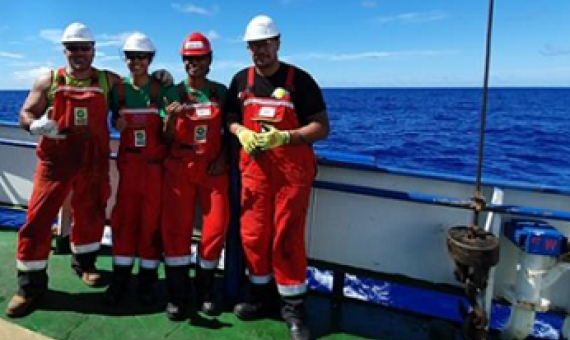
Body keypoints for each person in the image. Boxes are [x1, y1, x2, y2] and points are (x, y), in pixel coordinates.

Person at [5, 22, 122, 317]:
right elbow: (25, 112)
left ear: (94, 50)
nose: (79, 53)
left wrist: (163, 80)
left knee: (92, 212)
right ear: (64, 50)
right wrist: (33, 125)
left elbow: (140, 95)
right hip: (55, 163)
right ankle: (30, 286)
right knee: (37, 219)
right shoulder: (49, 81)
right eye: (73, 48)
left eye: (84, 47)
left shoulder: (110, 81)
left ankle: (85, 264)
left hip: (93, 161)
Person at [225, 14, 330, 340]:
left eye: (265, 44)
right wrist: (239, 130)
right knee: (253, 237)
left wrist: (286, 137)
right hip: (255, 174)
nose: (260, 51)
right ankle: (261, 297)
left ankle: (294, 309)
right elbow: (229, 116)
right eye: (254, 45)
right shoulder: (241, 81)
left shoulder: (300, 81)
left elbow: (322, 127)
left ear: (278, 43)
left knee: (286, 238)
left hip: (290, 175)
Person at [161, 32, 230, 321]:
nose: (194, 63)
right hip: (180, 167)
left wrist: (224, 157)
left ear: (209, 60)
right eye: (189, 59)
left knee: (215, 229)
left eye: (199, 58)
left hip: (213, 168)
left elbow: (232, 128)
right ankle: (178, 294)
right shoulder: (172, 93)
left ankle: (205, 290)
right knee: (176, 230)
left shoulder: (220, 92)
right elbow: (164, 139)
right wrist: (171, 119)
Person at [102, 32, 168, 305]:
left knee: (151, 225)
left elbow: (170, 128)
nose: (136, 61)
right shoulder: (117, 91)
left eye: (141, 56)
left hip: (154, 170)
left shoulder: (162, 89)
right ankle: (120, 279)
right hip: (129, 168)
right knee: (123, 222)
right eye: (130, 56)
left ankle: (147, 282)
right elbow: (108, 117)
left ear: (150, 59)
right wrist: (115, 123)